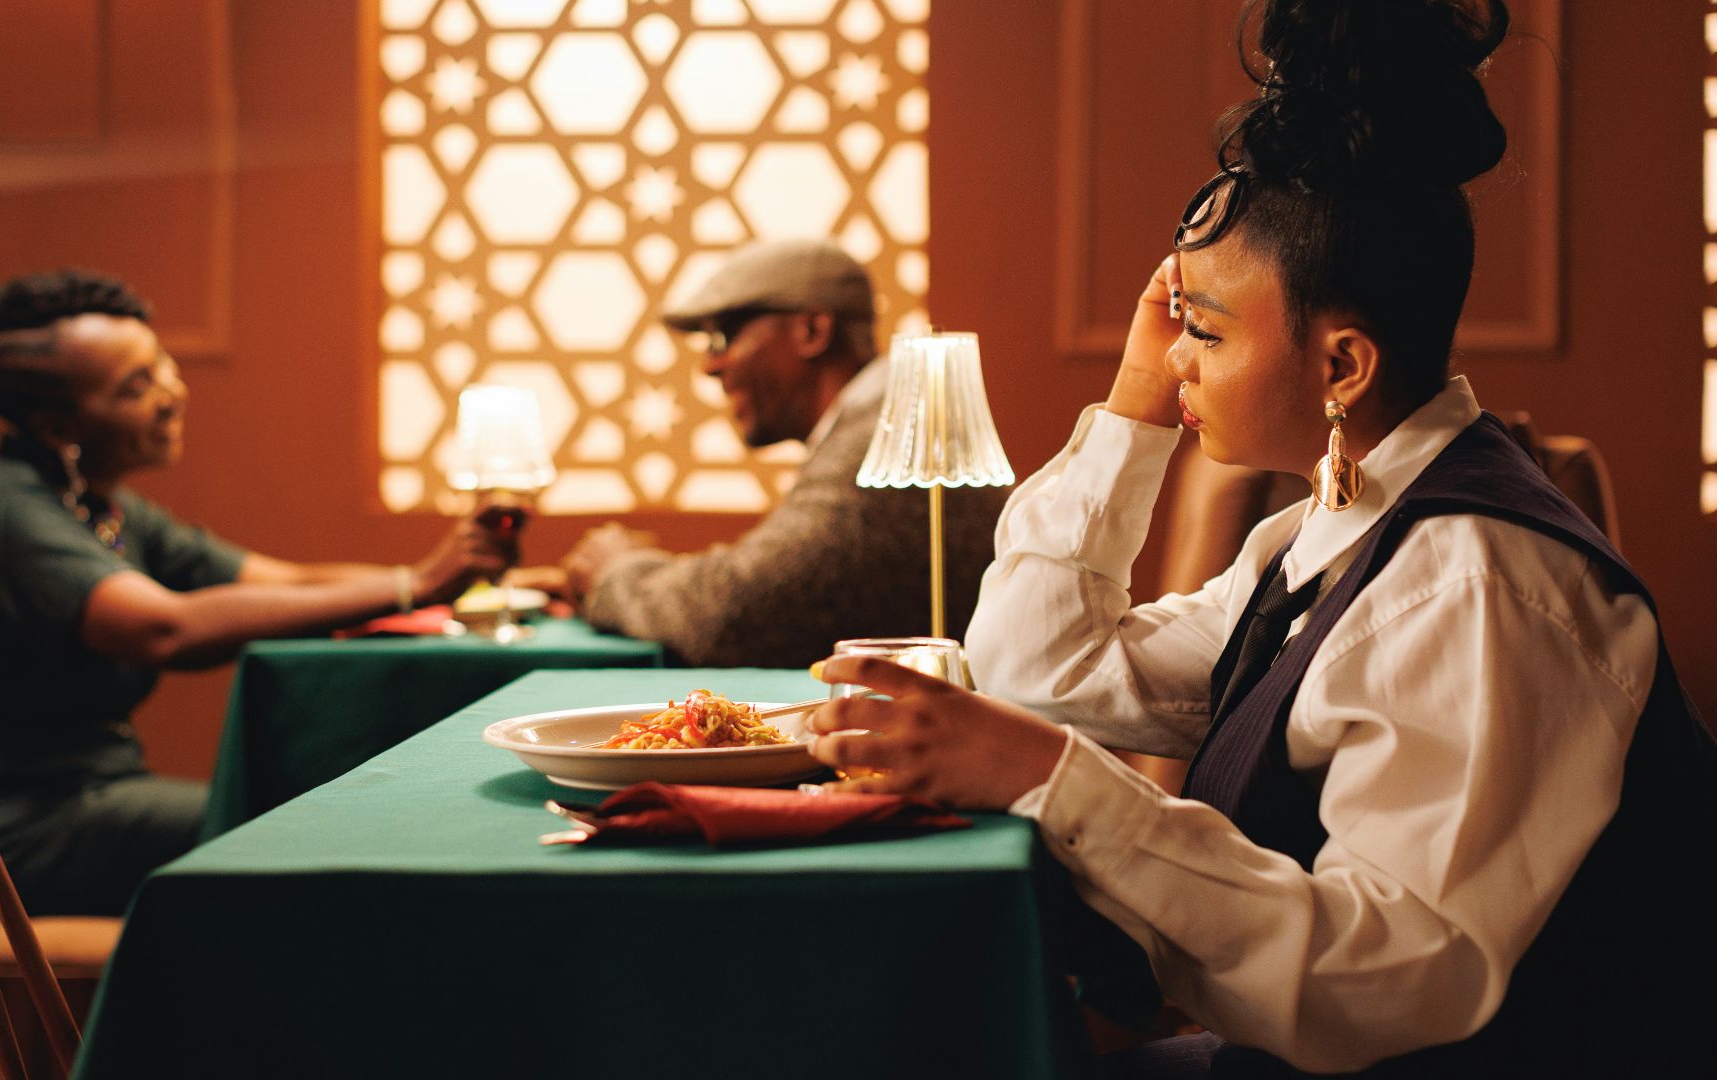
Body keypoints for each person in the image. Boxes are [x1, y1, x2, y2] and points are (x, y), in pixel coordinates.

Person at [801, 1, 1716, 1074]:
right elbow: (1043, 670)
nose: (1177, 356)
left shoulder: (1470, 584)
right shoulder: (1329, 532)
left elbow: (1392, 984)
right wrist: (1139, 397)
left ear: (1342, 368)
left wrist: (1049, 774)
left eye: (1206, 331)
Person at [0, 269, 512, 915]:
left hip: (95, 798)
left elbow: (289, 581)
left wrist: (463, 580)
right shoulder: (8, 510)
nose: (174, 391)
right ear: (57, 425)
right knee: (293, 823)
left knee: (314, 809)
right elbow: (165, 629)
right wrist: (415, 584)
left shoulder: (105, 511)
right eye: (137, 386)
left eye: (162, 364)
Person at [537, 238, 1008, 667]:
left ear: (811, 331)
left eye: (724, 337)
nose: (709, 366)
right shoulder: (891, 419)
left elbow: (733, 612)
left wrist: (616, 571)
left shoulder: (884, 444)